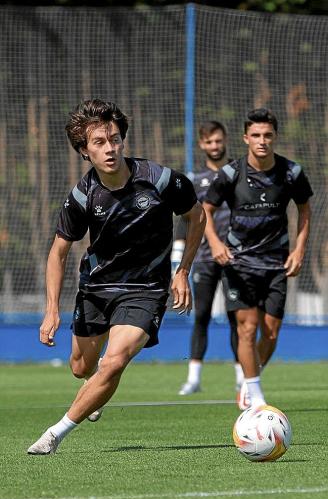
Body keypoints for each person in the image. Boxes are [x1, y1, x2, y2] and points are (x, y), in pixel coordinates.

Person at [27, 99, 206, 455]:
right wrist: (51, 310)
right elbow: (58, 252)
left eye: (114, 139)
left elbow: (197, 216)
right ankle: (96, 392)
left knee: (114, 361)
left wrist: (182, 269)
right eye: (99, 142)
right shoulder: (82, 196)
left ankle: (55, 434)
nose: (109, 148)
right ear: (84, 150)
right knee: (82, 369)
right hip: (96, 288)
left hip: (146, 290)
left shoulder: (160, 179)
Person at [203, 108, 313, 409]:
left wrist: (299, 249)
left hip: (277, 263)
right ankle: (254, 393)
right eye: (256, 135)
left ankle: (252, 378)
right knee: (247, 328)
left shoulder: (291, 173)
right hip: (239, 264)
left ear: (274, 137)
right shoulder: (230, 174)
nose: (262, 141)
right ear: (245, 138)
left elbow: (304, 209)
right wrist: (214, 243)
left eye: (267, 135)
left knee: (271, 331)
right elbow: (205, 211)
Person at [174, 121, 243, 396]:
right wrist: (177, 261)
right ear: (202, 145)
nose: (214, 146)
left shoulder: (238, 174)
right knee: (200, 315)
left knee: (237, 316)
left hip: (235, 258)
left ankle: (242, 377)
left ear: (225, 140)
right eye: (209, 142)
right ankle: (194, 379)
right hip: (203, 257)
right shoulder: (193, 180)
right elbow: (184, 222)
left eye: (218, 140)